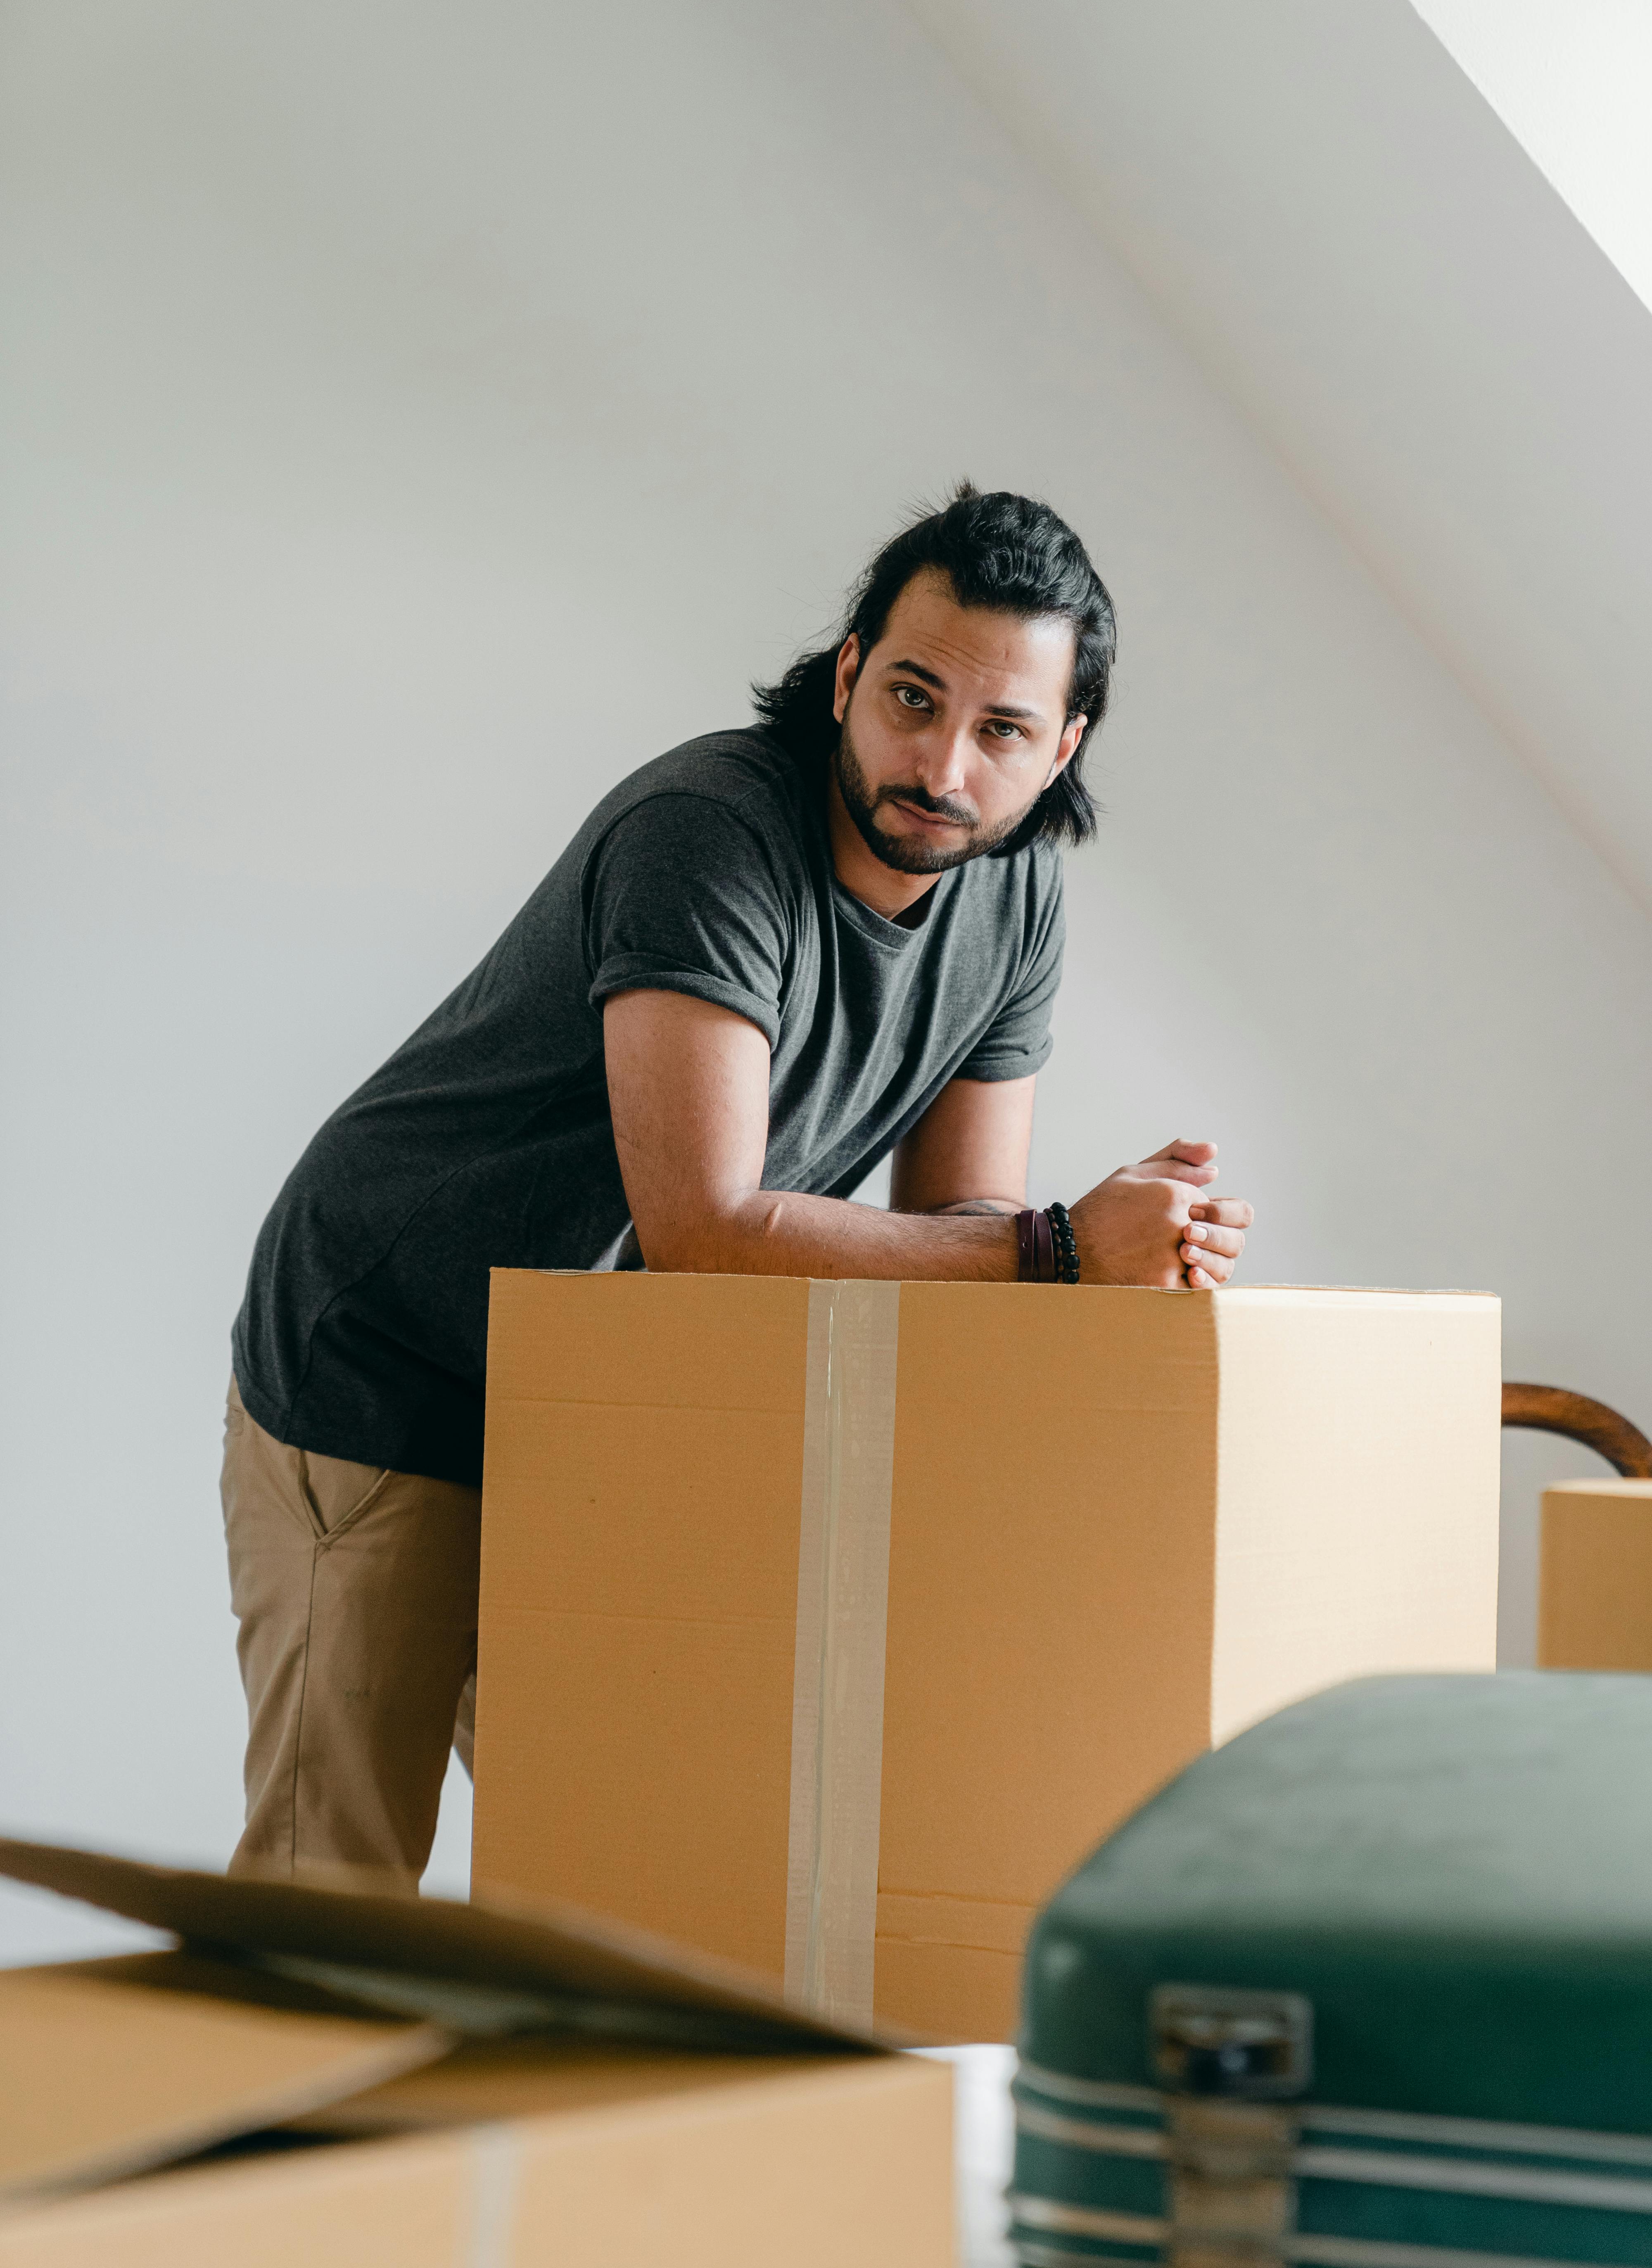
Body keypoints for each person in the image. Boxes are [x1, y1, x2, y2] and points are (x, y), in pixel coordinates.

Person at [222, 484, 1253, 1881]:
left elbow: (958, 1224)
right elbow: (703, 1225)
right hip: (389, 1364)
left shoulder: (1014, 899)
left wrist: (1118, 1236)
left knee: (633, 1870)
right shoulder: (709, 833)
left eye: (1002, 729)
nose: (942, 764)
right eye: (911, 696)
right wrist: (1066, 1251)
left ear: (1062, 745)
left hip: (594, 1401)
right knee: (331, 1891)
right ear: (846, 677)